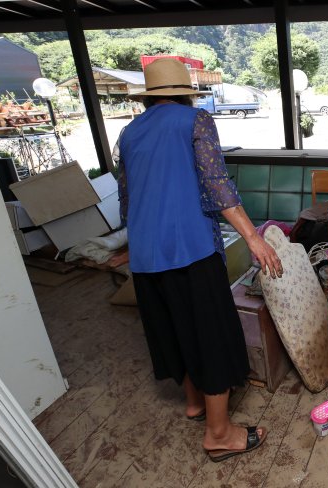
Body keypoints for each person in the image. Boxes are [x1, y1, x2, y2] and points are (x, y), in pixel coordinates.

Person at [114, 58, 282, 462]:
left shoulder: (130, 131)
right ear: (187, 93)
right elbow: (216, 183)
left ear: (149, 97)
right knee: (210, 335)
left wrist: (137, 239)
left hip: (145, 253)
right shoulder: (196, 122)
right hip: (189, 249)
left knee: (174, 327)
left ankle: (193, 402)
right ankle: (219, 433)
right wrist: (253, 237)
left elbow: (126, 197)